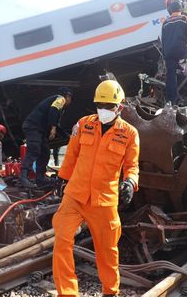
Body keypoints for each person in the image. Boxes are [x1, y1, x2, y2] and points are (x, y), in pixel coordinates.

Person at [52, 79, 140, 296]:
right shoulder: (83, 125)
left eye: (108, 107)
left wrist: (130, 182)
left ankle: (110, 292)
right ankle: (67, 293)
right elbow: (71, 156)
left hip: (104, 200)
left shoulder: (129, 134)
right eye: (99, 105)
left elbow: (132, 166)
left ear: (119, 107)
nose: (103, 110)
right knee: (62, 241)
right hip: (75, 195)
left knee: (107, 251)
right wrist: (62, 179)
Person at [20, 87, 73, 188]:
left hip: (39, 129)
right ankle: (23, 178)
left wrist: (68, 137)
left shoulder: (58, 104)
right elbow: (53, 111)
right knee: (34, 150)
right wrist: (53, 128)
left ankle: (40, 178)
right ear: (68, 96)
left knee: (45, 152)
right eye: (70, 98)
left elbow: (57, 125)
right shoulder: (60, 99)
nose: (70, 101)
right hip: (33, 126)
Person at [161, 0, 187, 105]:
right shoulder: (184, 19)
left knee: (170, 75)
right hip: (181, 51)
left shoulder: (165, 22)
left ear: (170, 10)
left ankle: (171, 99)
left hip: (169, 53)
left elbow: (163, 40)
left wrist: (164, 54)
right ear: (181, 8)